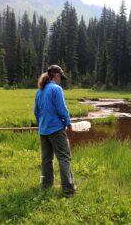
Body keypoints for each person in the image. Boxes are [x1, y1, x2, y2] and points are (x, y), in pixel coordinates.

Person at [34, 65, 76, 198]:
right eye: (60, 77)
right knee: (64, 158)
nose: (61, 80)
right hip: (56, 130)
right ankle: (68, 190)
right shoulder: (56, 89)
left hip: (43, 130)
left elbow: (36, 112)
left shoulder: (39, 91)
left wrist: (41, 123)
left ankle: (46, 186)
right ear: (54, 75)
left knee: (46, 159)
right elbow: (62, 110)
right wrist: (68, 123)